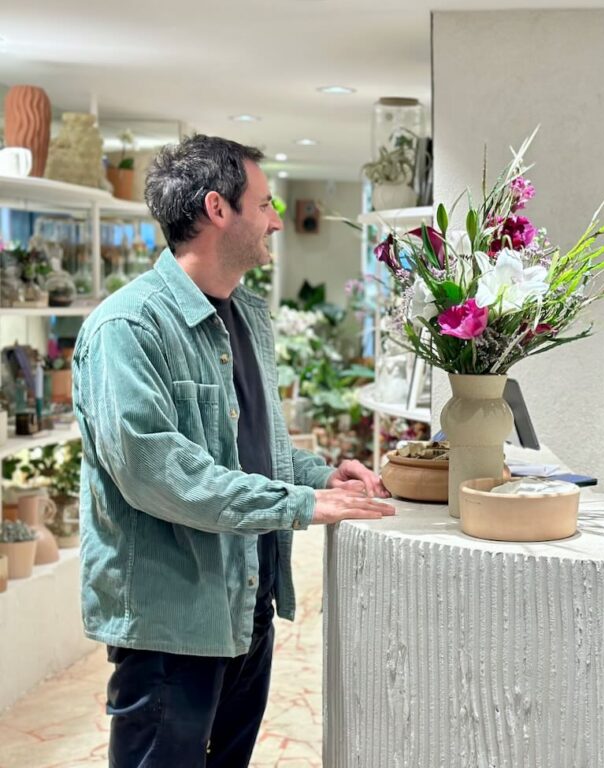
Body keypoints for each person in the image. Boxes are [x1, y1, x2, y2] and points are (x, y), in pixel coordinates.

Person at [72, 134, 395, 767]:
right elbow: (164, 476)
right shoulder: (126, 329)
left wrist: (322, 474)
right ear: (218, 210)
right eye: (266, 204)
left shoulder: (247, 315)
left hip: (248, 607)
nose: (277, 219)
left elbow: (249, 448)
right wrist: (302, 503)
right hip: (173, 626)